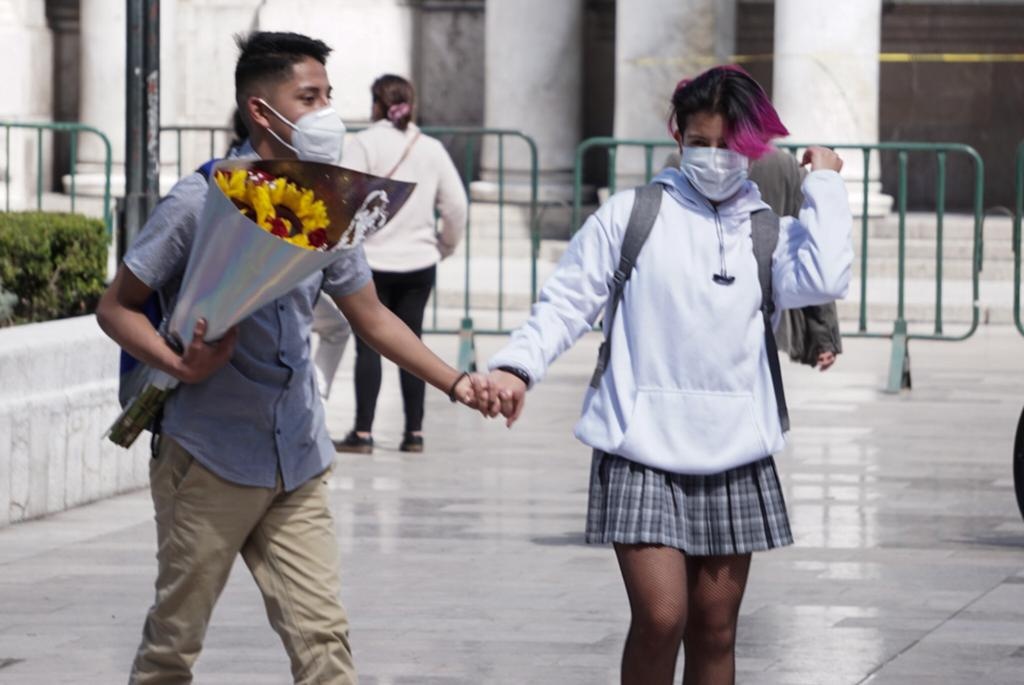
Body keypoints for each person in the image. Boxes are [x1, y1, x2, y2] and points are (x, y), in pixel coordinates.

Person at [96, 32, 488, 685]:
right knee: (173, 647)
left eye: (329, 95)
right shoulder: (201, 200)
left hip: (298, 454)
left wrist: (458, 383)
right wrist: (181, 364)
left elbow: (372, 316)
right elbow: (116, 307)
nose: (326, 112)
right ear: (261, 109)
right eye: (309, 98)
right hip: (209, 455)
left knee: (324, 646)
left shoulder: (326, 205)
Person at [479, 66, 852, 684]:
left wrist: (827, 185)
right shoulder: (632, 215)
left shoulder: (766, 230)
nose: (714, 156)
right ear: (677, 135)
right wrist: (518, 367)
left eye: (729, 144)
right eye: (699, 141)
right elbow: (567, 301)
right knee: (661, 616)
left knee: (716, 627)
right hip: (640, 446)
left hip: (736, 449)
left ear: (753, 148)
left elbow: (826, 276)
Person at [333, 74, 468, 455]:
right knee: (413, 343)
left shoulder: (363, 144)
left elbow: (342, 197)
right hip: (419, 260)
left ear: (378, 104)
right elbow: (456, 205)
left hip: (372, 260)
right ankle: (414, 432)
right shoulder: (431, 148)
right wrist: (444, 245)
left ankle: (363, 432)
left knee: (369, 345)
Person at [749, 149, 843, 371]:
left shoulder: (684, 166)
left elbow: (813, 263)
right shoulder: (784, 165)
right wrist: (823, 337)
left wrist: (822, 337)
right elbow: (812, 259)